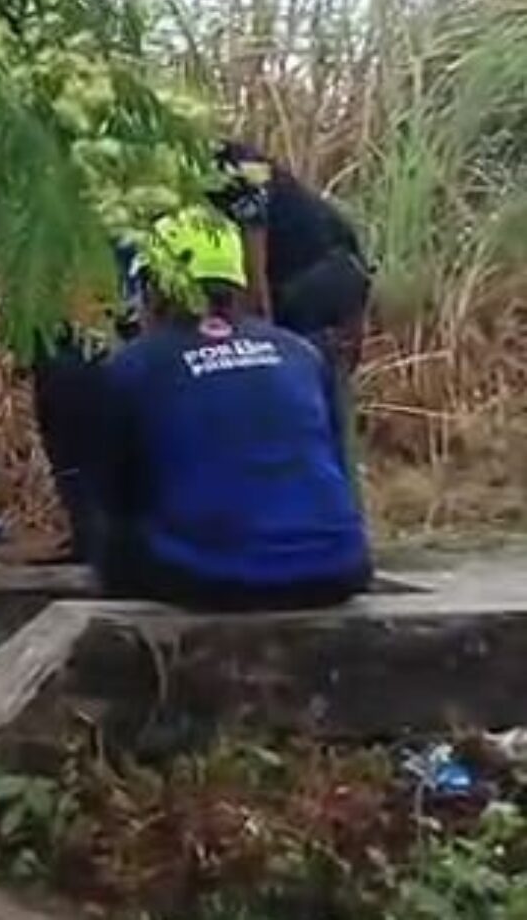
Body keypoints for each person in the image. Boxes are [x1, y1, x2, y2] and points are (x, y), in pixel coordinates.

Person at [92, 210, 371, 609]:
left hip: (222, 579)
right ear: (238, 285)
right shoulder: (301, 353)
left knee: (118, 541)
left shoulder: (137, 364)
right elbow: (336, 466)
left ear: (154, 288)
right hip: (339, 568)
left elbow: (117, 493)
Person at [211, 140, 371, 467]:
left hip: (311, 293)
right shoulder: (236, 162)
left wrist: (256, 362)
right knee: (324, 433)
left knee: (300, 432)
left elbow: (254, 292)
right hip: (341, 279)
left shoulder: (233, 172)